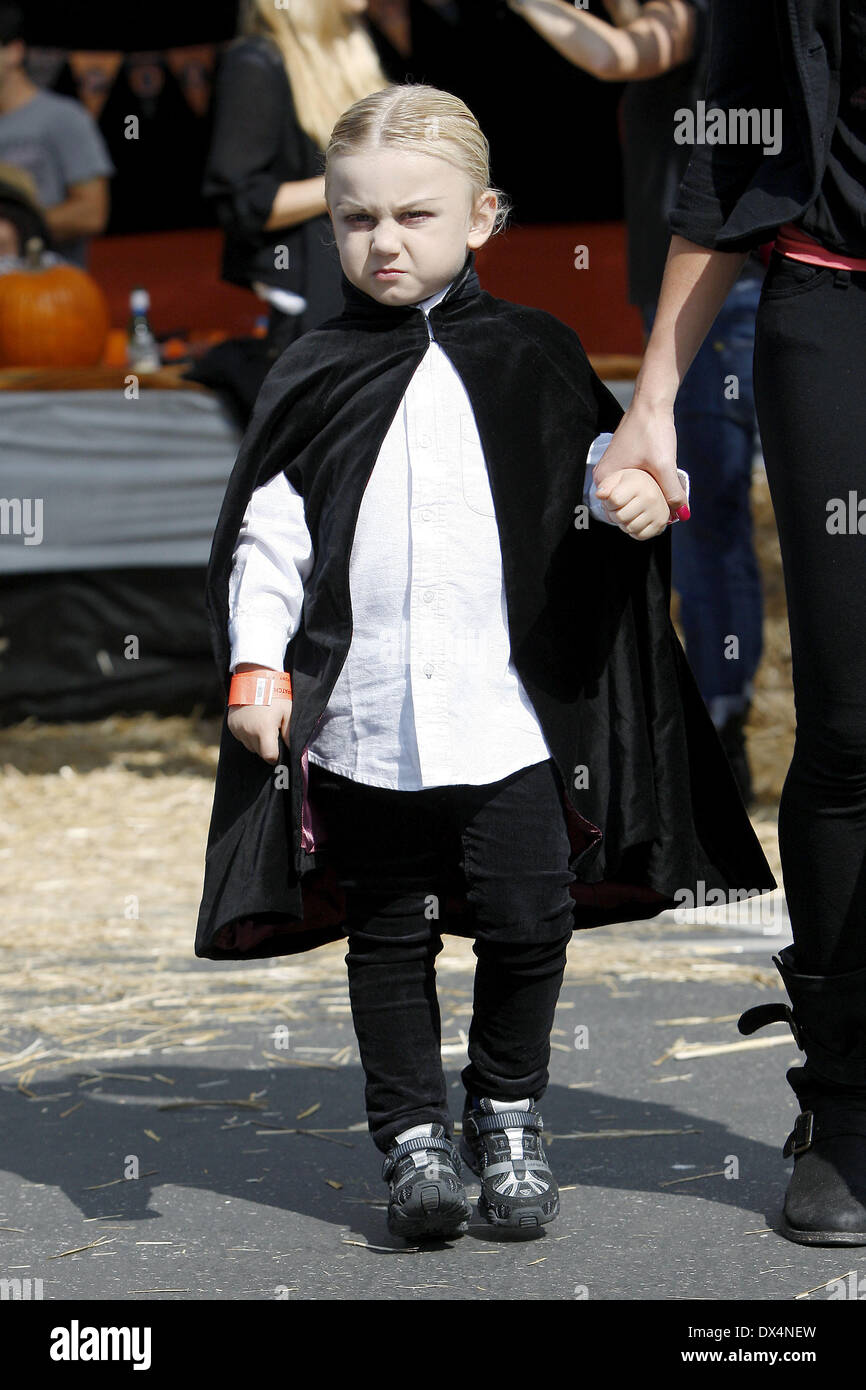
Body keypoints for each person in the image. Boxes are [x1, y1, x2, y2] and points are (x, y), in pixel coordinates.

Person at [194, 83, 774, 1243]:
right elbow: (269, 533)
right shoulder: (309, 370)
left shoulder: (533, 351)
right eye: (356, 220)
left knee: (525, 916)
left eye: (415, 215)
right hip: (361, 718)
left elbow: (599, 464)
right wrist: (258, 667)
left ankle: (505, 1110)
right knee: (387, 928)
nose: (384, 241)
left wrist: (632, 489)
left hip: (506, 718)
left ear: (484, 217)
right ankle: (411, 1137)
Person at [591, 0, 866, 1246]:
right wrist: (653, 394)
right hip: (835, 301)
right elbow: (731, 154)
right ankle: (846, 1108)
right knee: (852, 725)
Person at [505, 0, 766, 806]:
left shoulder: (698, 13)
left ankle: (726, 715)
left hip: (730, 291)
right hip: (681, 292)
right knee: (708, 506)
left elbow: (624, 54)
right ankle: (720, 717)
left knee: (713, 500)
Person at [202, 0, 389, 368]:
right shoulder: (257, 62)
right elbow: (243, 201)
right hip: (314, 309)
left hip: (375, 293)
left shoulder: (355, 47)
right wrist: (351, 181)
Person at [0, 4, 113, 270]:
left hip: (49, 292)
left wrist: (17, 226)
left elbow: (92, 214)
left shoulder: (64, 118)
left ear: (13, 52)